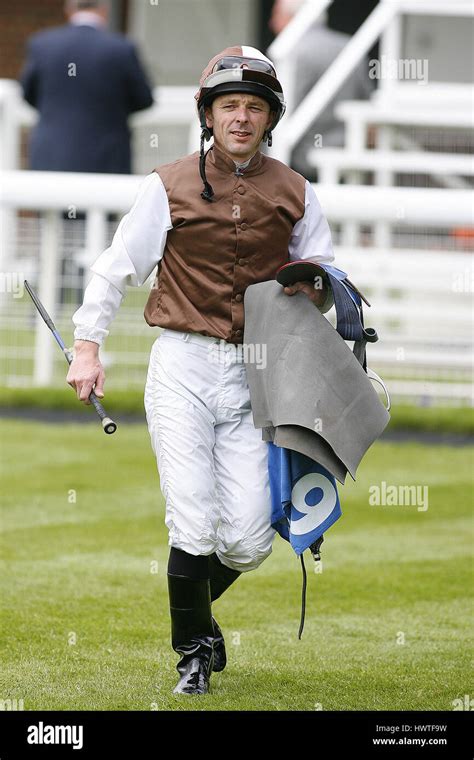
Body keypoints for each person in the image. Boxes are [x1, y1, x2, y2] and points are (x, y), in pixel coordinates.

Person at [66, 45, 336, 696]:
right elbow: (115, 265)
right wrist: (87, 344)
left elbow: (328, 274)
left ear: (270, 119)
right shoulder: (167, 185)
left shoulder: (298, 192)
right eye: (228, 106)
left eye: (253, 107)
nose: (240, 117)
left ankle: (197, 615)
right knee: (192, 522)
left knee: (248, 541)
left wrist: (318, 291)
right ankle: (192, 652)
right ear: (207, 115)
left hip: (257, 372)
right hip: (182, 366)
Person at [20, 0, 153, 173]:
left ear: (68, 10)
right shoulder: (121, 48)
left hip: (51, 155)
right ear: (104, 11)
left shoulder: (41, 44)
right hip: (107, 157)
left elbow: (27, 93)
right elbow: (144, 99)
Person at [269, 0, 374, 180]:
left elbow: (280, 112)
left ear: (292, 16)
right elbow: (367, 103)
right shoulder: (350, 46)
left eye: (276, 14)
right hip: (350, 153)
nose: (271, 23)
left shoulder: (291, 52)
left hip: (301, 162)